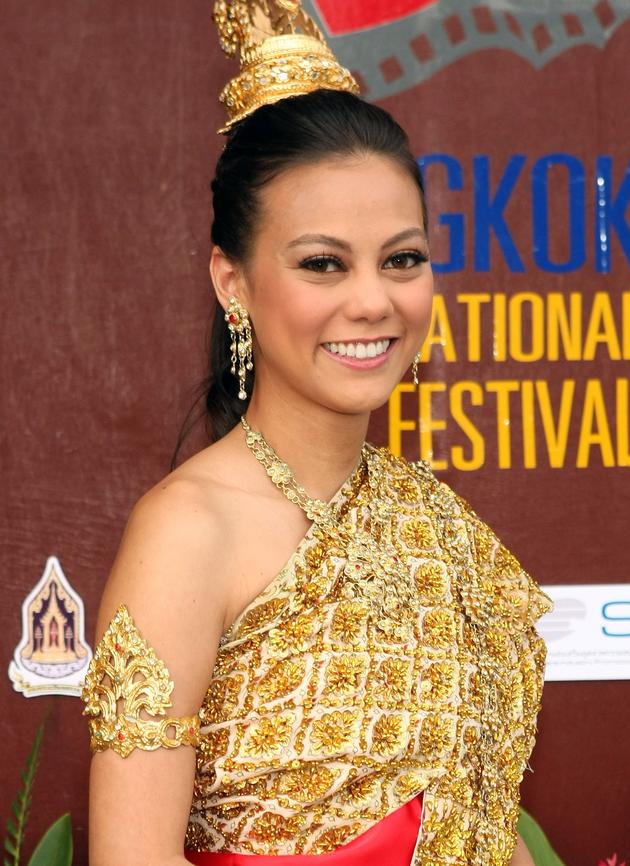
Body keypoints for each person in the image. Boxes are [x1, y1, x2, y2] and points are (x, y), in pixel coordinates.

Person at [81, 3, 553, 865]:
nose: (374, 301)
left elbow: (479, 831)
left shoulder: (439, 525)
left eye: (403, 259)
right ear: (234, 281)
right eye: (322, 263)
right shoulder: (189, 532)